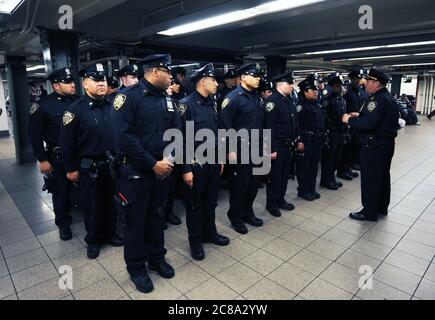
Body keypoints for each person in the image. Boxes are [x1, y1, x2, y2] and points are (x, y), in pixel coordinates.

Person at [111, 54, 180, 293]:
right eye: (168, 72)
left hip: (162, 170)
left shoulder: (167, 99)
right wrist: (153, 163)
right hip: (136, 172)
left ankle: (157, 258)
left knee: (156, 217)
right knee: (135, 221)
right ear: (154, 72)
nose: (171, 76)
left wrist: (168, 160)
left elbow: (176, 132)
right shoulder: (127, 97)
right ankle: (137, 267)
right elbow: (125, 138)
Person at [60, 63, 123, 259]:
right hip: (90, 168)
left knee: (111, 203)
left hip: (112, 166)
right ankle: (93, 240)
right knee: (92, 206)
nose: (101, 84)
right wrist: (71, 168)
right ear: (85, 84)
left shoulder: (114, 104)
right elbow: (66, 143)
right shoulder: (75, 110)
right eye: (96, 80)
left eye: (103, 79)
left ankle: (110, 233)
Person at [179, 63, 230, 260]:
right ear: (203, 81)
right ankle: (195, 241)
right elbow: (179, 139)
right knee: (194, 205)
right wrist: (185, 168)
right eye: (213, 80)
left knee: (210, 201)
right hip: (195, 164)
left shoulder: (212, 103)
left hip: (213, 161)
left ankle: (210, 233)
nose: (217, 84)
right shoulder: (186, 105)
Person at [342, 68, 399, 221]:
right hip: (385, 144)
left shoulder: (376, 99)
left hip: (374, 146)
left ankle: (369, 211)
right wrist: (360, 115)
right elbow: (376, 118)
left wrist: (350, 120)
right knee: (382, 177)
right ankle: (381, 207)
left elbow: (369, 124)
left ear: (377, 83)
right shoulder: (387, 97)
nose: (365, 83)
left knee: (370, 179)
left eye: (368, 81)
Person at [28, 67, 77, 241]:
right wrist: (42, 159)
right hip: (58, 157)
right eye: (68, 82)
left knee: (85, 191)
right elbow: (34, 135)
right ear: (56, 86)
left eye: (72, 81)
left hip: (79, 156)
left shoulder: (79, 101)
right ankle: (63, 224)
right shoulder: (42, 106)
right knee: (61, 192)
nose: (72, 85)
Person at [219, 63, 265, 235]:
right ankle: (235, 217)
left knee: (253, 185)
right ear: (244, 77)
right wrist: (229, 151)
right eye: (255, 76)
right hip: (240, 150)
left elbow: (260, 123)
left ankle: (248, 212)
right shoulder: (233, 98)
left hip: (256, 147)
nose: (258, 79)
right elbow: (225, 127)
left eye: (259, 76)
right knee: (240, 186)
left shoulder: (257, 97)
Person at [265, 71, 303, 217]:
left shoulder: (288, 100)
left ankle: (280, 199)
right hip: (278, 146)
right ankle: (272, 204)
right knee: (275, 176)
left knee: (284, 175)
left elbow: (295, 122)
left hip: (288, 145)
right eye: (290, 83)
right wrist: (271, 149)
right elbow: (269, 127)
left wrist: (298, 139)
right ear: (281, 84)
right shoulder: (272, 101)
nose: (292, 86)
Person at [296, 74, 326, 201]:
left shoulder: (316, 104)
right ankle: (303, 190)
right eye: (312, 90)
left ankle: (311, 189)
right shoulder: (301, 106)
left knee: (314, 166)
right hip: (306, 140)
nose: (315, 92)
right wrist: (300, 140)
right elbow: (297, 125)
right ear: (305, 91)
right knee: (304, 167)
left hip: (317, 140)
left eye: (316, 90)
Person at [320, 72, 347, 190]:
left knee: (337, 157)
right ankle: (326, 180)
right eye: (337, 86)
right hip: (331, 133)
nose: (340, 88)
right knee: (329, 159)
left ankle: (332, 178)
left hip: (340, 132)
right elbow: (324, 119)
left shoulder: (341, 99)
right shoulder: (327, 100)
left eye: (340, 85)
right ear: (332, 87)